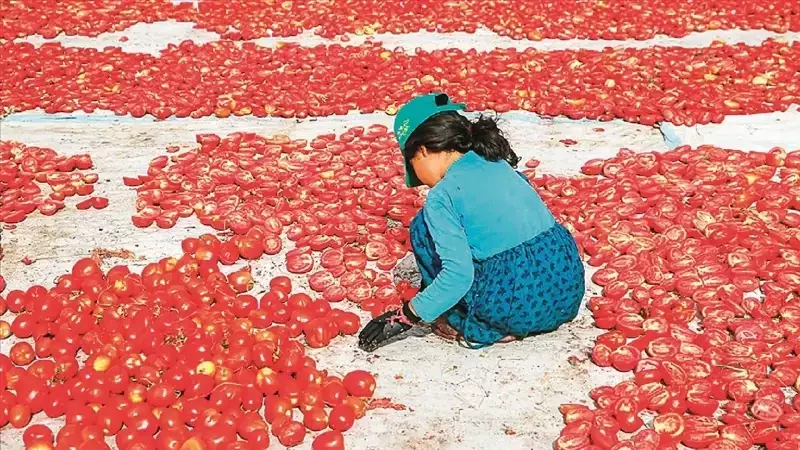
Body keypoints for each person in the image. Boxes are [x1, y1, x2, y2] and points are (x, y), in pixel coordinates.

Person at [358, 93, 586, 352]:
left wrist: (405, 317)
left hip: (517, 307)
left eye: (410, 162)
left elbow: (458, 276)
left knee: (423, 228)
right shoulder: (497, 163)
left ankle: (481, 322)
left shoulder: (442, 197)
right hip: (565, 291)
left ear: (421, 151)